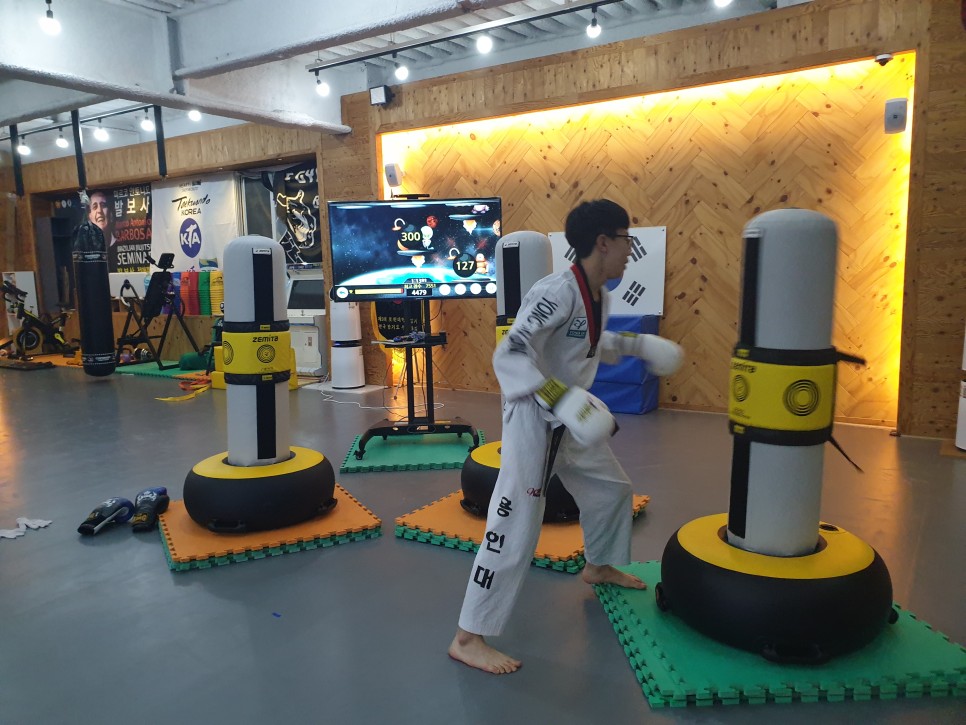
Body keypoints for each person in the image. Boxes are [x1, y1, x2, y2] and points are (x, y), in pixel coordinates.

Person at [448, 199, 684, 674]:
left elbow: (588, 344)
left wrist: (637, 344)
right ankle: (467, 637)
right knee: (515, 526)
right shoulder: (555, 292)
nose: (630, 250)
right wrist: (558, 397)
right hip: (536, 421)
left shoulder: (599, 295)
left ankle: (598, 565)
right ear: (603, 242)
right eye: (626, 240)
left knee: (611, 490)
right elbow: (510, 353)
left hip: (570, 417)